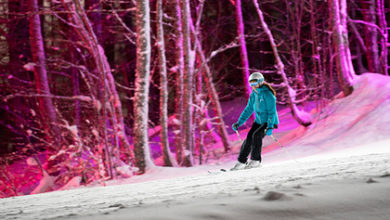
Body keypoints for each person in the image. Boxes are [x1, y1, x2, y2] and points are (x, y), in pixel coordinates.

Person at [231, 72, 279, 170]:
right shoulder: (254, 94)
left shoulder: (268, 94)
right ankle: (241, 161)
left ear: (260, 82)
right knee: (249, 138)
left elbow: (272, 112)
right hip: (259, 122)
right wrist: (239, 123)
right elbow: (248, 109)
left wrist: (270, 126)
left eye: (254, 83)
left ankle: (256, 160)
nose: (253, 86)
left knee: (256, 136)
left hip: (269, 121)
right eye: (251, 84)